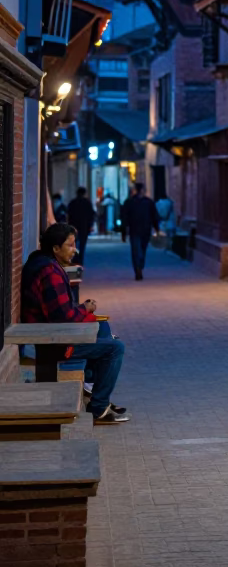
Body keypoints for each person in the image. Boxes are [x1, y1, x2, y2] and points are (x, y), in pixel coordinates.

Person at [21, 222, 130, 425]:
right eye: (70, 245)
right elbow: (64, 318)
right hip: (50, 343)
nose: (75, 250)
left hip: (52, 333)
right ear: (55, 248)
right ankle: (98, 408)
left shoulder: (43, 263)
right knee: (115, 348)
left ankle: (92, 390)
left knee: (103, 329)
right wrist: (85, 309)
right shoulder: (50, 272)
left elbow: (62, 313)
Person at [121, 182, 159, 280]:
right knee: (142, 249)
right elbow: (154, 217)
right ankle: (139, 267)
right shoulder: (148, 202)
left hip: (135, 230)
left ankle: (138, 267)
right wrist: (157, 229)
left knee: (136, 250)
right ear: (142, 190)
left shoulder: (129, 202)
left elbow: (124, 218)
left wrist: (124, 232)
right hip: (145, 230)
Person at [67, 187, 96, 265]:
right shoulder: (87, 203)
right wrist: (90, 225)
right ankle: (80, 260)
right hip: (84, 227)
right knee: (82, 244)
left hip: (74, 226)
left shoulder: (73, 202)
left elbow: (69, 214)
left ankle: (74, 259)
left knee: (74, 243)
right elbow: (91, 215)